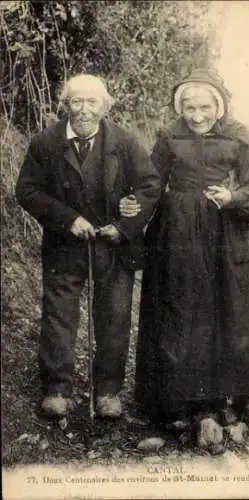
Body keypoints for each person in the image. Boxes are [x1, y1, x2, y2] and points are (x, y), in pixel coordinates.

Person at [120, 68, 249, 432]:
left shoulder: (238, 136)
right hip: (178, 235)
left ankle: (237, 398)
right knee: (181, 312)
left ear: (219, 106)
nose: (197, 116)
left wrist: (234, 197)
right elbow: (151, 184)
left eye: (204, 107)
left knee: (234, 313)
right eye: (189, 108)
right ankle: (180, 400)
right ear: (180, 108)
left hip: (228, 235)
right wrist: (130, 214)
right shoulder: (168, 136)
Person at [15, 74, 161, 419]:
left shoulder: (124, 142)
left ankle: (108, 391)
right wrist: (67, 219)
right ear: (65, 105)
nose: (84, 109)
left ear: (105, 106)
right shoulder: (45, 143)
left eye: (92, 102)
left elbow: (150, 186)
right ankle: (57, 389)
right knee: (59, 316)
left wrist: (124, 225)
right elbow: (28, 190)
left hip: (114, 246)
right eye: (76, 101)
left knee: (114, 317)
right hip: (64, 246)